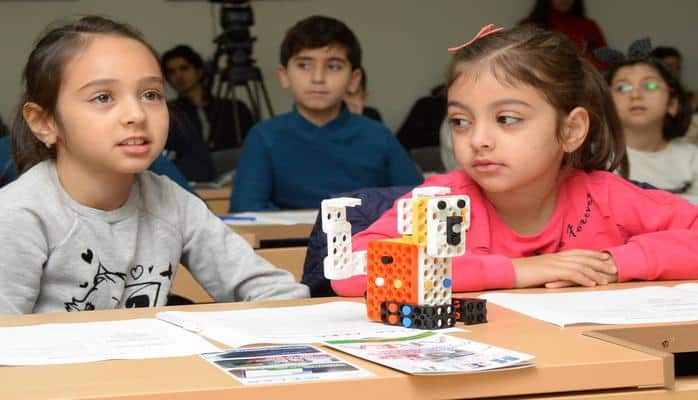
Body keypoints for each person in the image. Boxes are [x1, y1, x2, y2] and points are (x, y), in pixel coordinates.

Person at [331, 24, 698, 297]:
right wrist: (518, 271)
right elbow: (351, 272)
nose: (478, 140)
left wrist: (616, 263)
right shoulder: (442, 199)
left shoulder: (606, 197)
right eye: (460, 121)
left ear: (571, 130)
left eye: (506, 119)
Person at [0, 16, 308, 315]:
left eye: (151, 94)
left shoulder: (172, 201)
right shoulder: (18, 215)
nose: (136, 114)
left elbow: (275, 292)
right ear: (44, 122)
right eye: (103, 97)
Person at [230, 16, 422, 212]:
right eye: (304, 65)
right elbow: (245, 209)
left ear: (354, 80)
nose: (318, 78)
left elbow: (417, 203)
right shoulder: (264, 137)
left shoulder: (378, 136)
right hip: (285, 234)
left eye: (333, 66)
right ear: (284, 76)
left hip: (365, 232)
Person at [600, 39, 695, 203]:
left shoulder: (692, 158)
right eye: (622, 88)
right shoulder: (598, 158)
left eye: (650, 86)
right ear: (608, 104)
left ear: (672, 104)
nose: (635, 95)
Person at [162, 45, 255, 151]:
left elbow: (253, 145)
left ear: (199, 71)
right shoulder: (169, 114)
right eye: (171, 72)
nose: (179, 76)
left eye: (184, 68)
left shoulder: (233, 108)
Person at [520, 0, 607, 68]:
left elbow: (605, 61)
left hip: (583, 80)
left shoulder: (589, 26)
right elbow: (521, 61)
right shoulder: (530, 27)